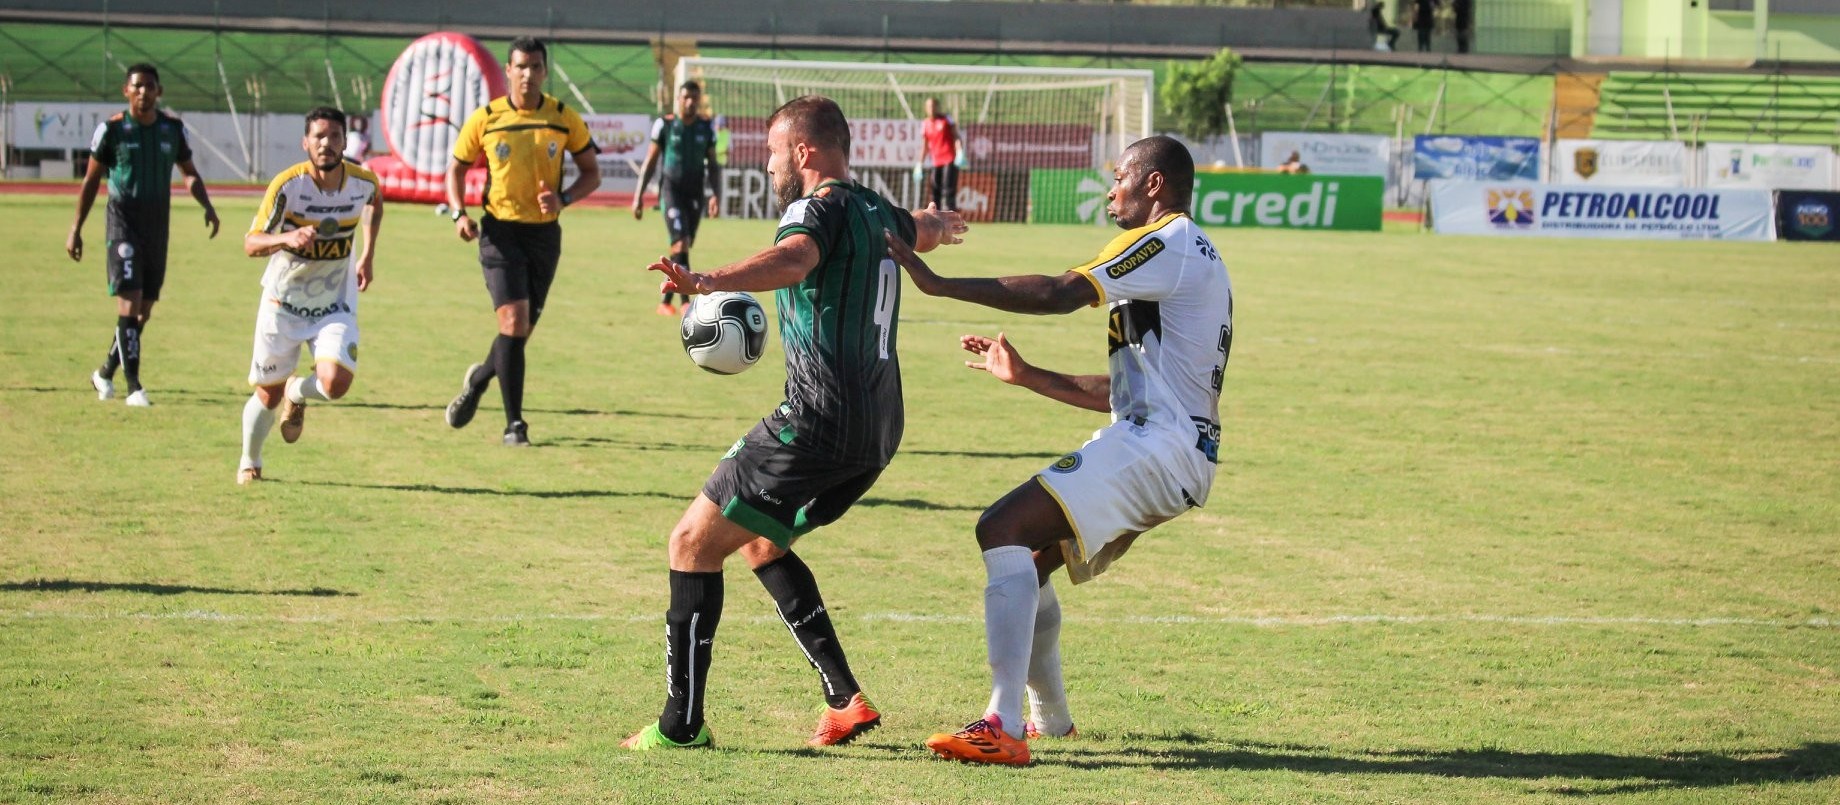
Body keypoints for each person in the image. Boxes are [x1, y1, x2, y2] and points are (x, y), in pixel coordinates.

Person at [622, 95, 969, 751]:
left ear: (804, 152)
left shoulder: (815, 208)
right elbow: (917, 227)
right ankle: (845, 698)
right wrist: (940, 224)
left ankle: (681, 727)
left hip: (815, 419)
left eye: (775, 151)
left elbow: (795, 259)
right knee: (759, 538)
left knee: (690, 542)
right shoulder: (875, 209)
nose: (770, 162)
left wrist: (706, 280)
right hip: (879, 429)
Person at [884, 135, 1233, 766]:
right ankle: (1051, 720)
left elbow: (1057, 291)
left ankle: (1003, 726)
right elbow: (1129, 393)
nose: (1111, 189)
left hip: (1162, 450)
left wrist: (937, 284)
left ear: (1153, 185)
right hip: (1168, 445)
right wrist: (1028, 376)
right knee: (1031, 561)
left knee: (1002, 527)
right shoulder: (1182, 255)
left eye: (1121, 177)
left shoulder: (1168, 241)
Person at [442, 37, 601, 447]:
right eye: (520, 66)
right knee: (512, 323)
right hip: (499, 231)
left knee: (519, 332)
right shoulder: (487, 117)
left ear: (545, 71)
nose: (528, 74)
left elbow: (591, 173)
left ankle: (478, 380)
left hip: (544, 236)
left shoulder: (564, 118)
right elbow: (455, 170)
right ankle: (515, 425)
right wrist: (460, 213)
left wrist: (564, 198)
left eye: (535, 66)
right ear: (508, 70)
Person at [236, 107, 383, 485]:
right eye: (319, 136)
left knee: (334, 384)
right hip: (283, 304)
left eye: (335, 136)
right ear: (305, 142)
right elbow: (251, 243)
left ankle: (297, 391)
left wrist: (366, 253)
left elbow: (375, 204)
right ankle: (250, 461)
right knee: (266, 397)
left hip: (334, 303)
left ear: (345, 143)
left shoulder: (362, 182)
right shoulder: (287, 186)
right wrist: (286, 237)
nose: (327, 144)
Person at [66, 63, 220, 407]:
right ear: (126, 91)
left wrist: (207, 206)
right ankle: (134, 386)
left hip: (157, 228)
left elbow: (189, 173)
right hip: (123, 225)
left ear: (159, 92)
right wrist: (75, 229)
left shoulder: (172, 130)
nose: (143, 92)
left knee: (142, 312)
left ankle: (105, 371)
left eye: (150, 86)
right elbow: (91, 180)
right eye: (137, 86)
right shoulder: (112, 131)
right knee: (129, 302)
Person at [634, 81, 720, 316]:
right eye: (686, 97)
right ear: (678, 99)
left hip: (695, 194)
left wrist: (716, 195)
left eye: (695, 97)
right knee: (680, 243)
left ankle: (665, 302)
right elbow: (651, 161)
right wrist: (638, 196)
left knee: (681, 247)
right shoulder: (666, 124)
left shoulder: (706, 127)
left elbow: (713, 165)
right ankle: (685, 302)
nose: (690, 102)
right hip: (671, 191)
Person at [921, 97, 959, 211]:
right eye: (929, 106)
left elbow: (956, 135)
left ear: (937, 107)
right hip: (936, 161)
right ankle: (936, 218)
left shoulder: (946, 119)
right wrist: (919, 164)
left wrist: (960, 150)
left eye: (933, 106)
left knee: (948, 190)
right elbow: (924, 146)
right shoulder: (925, 123)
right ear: (926, 109)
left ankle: (951, 218)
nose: (931, 109)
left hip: (949, 159)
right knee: (935, 191)